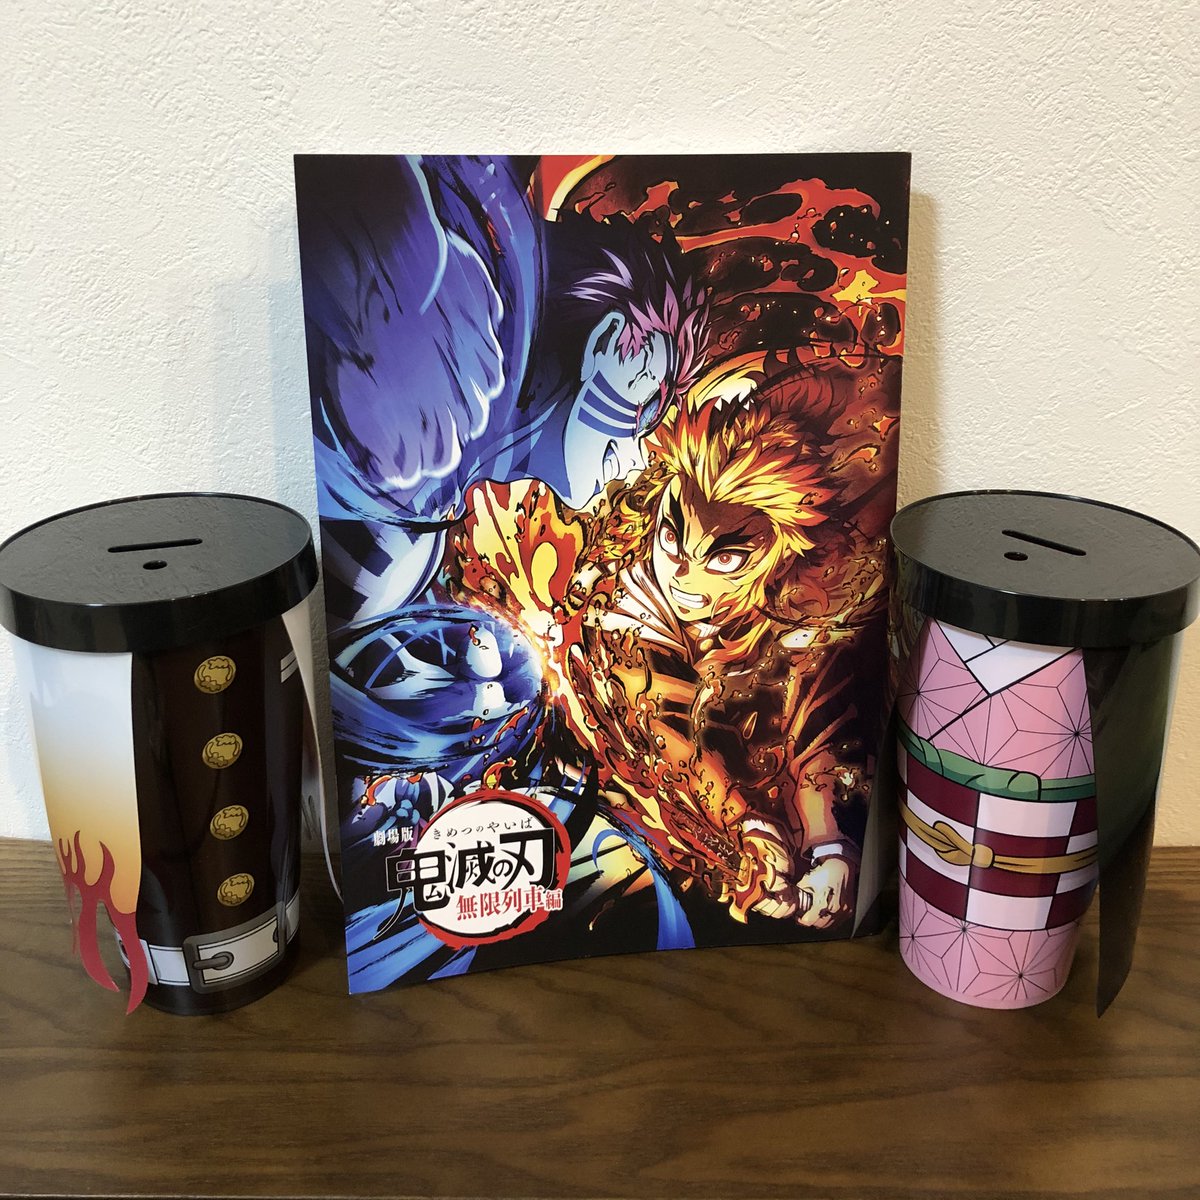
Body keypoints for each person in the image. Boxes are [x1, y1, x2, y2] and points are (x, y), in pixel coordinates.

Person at [453, 361, 887, 929]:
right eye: (672, 534)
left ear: (781, 556)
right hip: (596, 816)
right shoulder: (619, 594)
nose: (681, 571)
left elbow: (817, 722)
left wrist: (829, 845)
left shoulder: (789, 614)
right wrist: (748, 831)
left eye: (724, 558)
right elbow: (664, 728)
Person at [295, 155, 708, 626]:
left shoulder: (441, 504)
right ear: (607, 342)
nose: (640, 458)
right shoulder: (456, 353)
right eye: (648, 398)